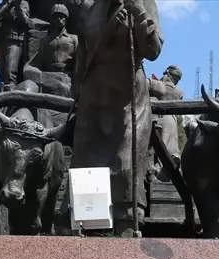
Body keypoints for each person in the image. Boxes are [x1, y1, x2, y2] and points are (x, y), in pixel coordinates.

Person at [69, 0, 164, 235]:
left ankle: (126, 233)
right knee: (88, 173)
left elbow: (153, 50)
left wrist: (138, 11)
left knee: (125, 166)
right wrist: (77, 91)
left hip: (128, 96)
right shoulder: (88, 8)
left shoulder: (143, 3)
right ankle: (87, 239)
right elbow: (82, 54)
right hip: (94, 99)